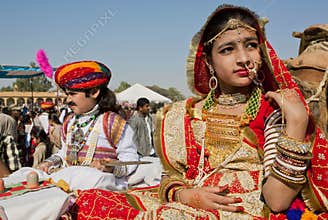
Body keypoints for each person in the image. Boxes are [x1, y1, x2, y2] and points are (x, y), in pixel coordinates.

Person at [68, 5, 328, 219]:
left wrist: (296, 123)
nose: (243, 58)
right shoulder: (183, 114)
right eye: (228, 49)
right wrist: (186, 195)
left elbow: (278, 200)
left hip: (239, 209)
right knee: (85, 201)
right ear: (209, 62)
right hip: (187, 201)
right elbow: (172, 178)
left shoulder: (275, 110)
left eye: (250, 45)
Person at [36, 60, 139, 191]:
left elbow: (130, 159)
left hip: (101, 192)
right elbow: (64, 153)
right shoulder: (69, 122)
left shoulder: (113, 123)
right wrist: (50, 162)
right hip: (69, 187)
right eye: (67, 94)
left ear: (94, 92)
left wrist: (110, 167)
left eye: (73, 94)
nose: (68, 100)